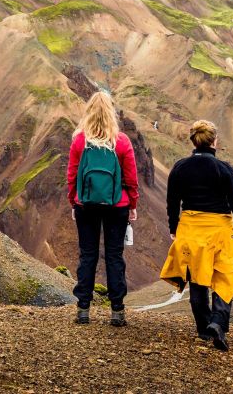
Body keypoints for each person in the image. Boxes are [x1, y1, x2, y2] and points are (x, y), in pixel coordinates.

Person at [160, 120, 233, 351]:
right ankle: (218, 322)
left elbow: (173, 202)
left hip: (190, 230)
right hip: (219, 231)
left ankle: (204, 329)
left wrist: (174, 228)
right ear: (214, 141)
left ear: (193, 141)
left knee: (197, 279)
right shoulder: (224, 169)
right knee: (228, 274)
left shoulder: (180, 167)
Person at [67, 91, 139, 327]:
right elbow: (131, 178)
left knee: (87, 255)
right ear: (111, 113)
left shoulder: (79, 141)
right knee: (114, 255)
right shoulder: (122, 142)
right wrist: (133, 204)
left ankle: (83, 309)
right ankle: (117, 311)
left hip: (85, 204)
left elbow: (72, 175)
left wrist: (73, 201)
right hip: (116, 205)